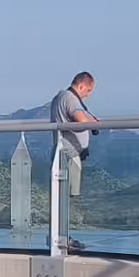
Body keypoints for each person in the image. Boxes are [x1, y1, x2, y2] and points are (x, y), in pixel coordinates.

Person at [50, 72, 99, 206]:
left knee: (63, 197)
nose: (87, 95)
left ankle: (59, 225)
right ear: (81, 86)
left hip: (64, 151)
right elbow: (81, 120)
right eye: (88, 90)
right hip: (70, 153)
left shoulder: (60, 97)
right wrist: (92, 122)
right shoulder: (71, 98)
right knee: (67, 198)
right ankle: (61, 225)